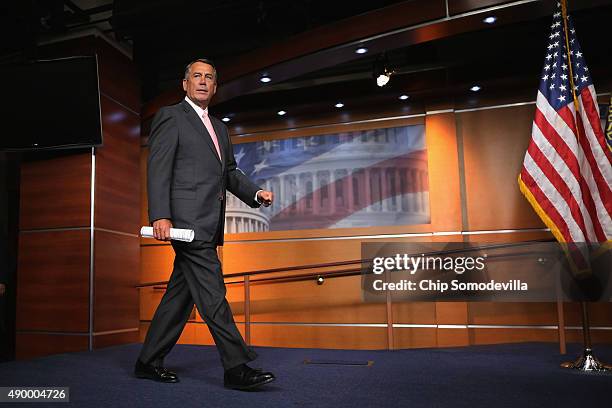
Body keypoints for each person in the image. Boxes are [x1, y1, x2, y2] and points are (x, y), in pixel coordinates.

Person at [135, 58, 275, 391]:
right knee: (213, 293)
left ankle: (147, 361)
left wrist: (255, 192)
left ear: (214, 87)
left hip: (208, 224)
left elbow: (229, 173)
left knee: (180, 296)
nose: (202, 81)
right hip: (185, 223)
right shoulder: (171, 117)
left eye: (209, 78)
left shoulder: (220, 128)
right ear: (185, 84)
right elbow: (158, 168)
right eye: (196, 76)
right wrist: (160, 215)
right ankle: (236, 367)